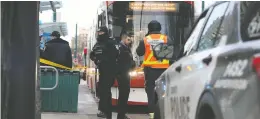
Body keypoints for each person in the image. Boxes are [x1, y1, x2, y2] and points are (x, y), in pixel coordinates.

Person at [136, 20, 170, 119]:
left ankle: (152, 115)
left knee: (151, 93)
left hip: (150, 71)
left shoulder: (145, 40)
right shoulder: (166, 39)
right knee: (164, 92)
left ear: (149, 29)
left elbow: (139, 53)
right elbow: (172, 51)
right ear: (159, 28)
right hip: (164, 70)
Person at [90, 26, 119, 119]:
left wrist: (103, 59)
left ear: (105, 33)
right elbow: (92, 54)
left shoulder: (111, 43)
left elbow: (115, 55)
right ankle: (104, 111)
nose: (100, 34)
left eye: (101, 32)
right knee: (103, 92)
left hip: (109, 70)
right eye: (99, 32)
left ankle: (106, 112)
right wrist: (95, 59)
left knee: (105, 92)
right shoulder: (97, 44)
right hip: (102, 70)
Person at [116, 31, 135, 119]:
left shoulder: (125, 47)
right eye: (128, 39)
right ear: (123, 38)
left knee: (124, 94)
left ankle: (122, 114)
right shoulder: (121, 48)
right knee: (123, 95)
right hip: (122, 75)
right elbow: (124, 61)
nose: (130, 41)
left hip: (125, 74)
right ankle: (121, 115)